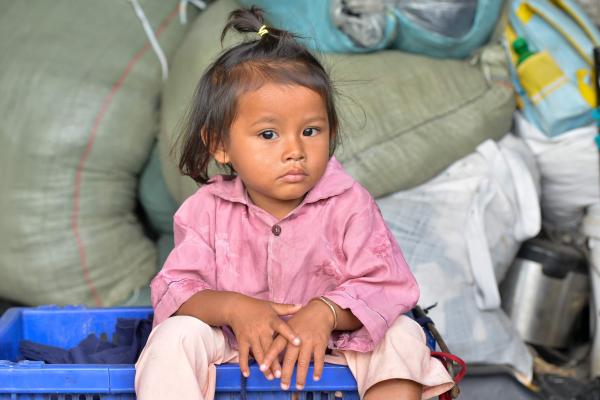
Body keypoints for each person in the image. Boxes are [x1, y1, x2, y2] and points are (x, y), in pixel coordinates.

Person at [135, 6, 454, 400]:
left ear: (331, 132)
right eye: (268, 134)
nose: (294, 150)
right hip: (232, 347)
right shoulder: (206, 210)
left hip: (330, 348)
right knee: (176, 335)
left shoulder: (348, 203)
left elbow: (387, 286)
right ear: (220, 145)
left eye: (310, 130)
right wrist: (235, 308)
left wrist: (327, 312)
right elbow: (177, 289)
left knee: (402, 334)